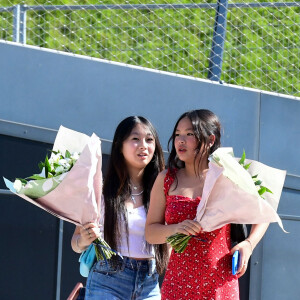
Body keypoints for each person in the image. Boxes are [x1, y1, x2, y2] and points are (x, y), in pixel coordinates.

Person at [145, 109, 269, 299]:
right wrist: (176, 229)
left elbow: (263, 213)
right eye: (177, 134)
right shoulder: (167, 179)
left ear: (210, 140)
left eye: (189, 134)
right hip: (178, 283)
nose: (180, 140)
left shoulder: (227, 176)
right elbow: (151, 233)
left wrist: (249, 245)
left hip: (219, 282)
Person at [71, 116, 168, 300]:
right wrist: (84, 239)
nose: (143, 145)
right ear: (119, 146)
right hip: (107, 278)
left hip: (149, 282)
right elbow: (75, 243)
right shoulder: (100, 190)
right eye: (135, 139)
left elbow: (168, 246)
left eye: (149, 139)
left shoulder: (163, 191)